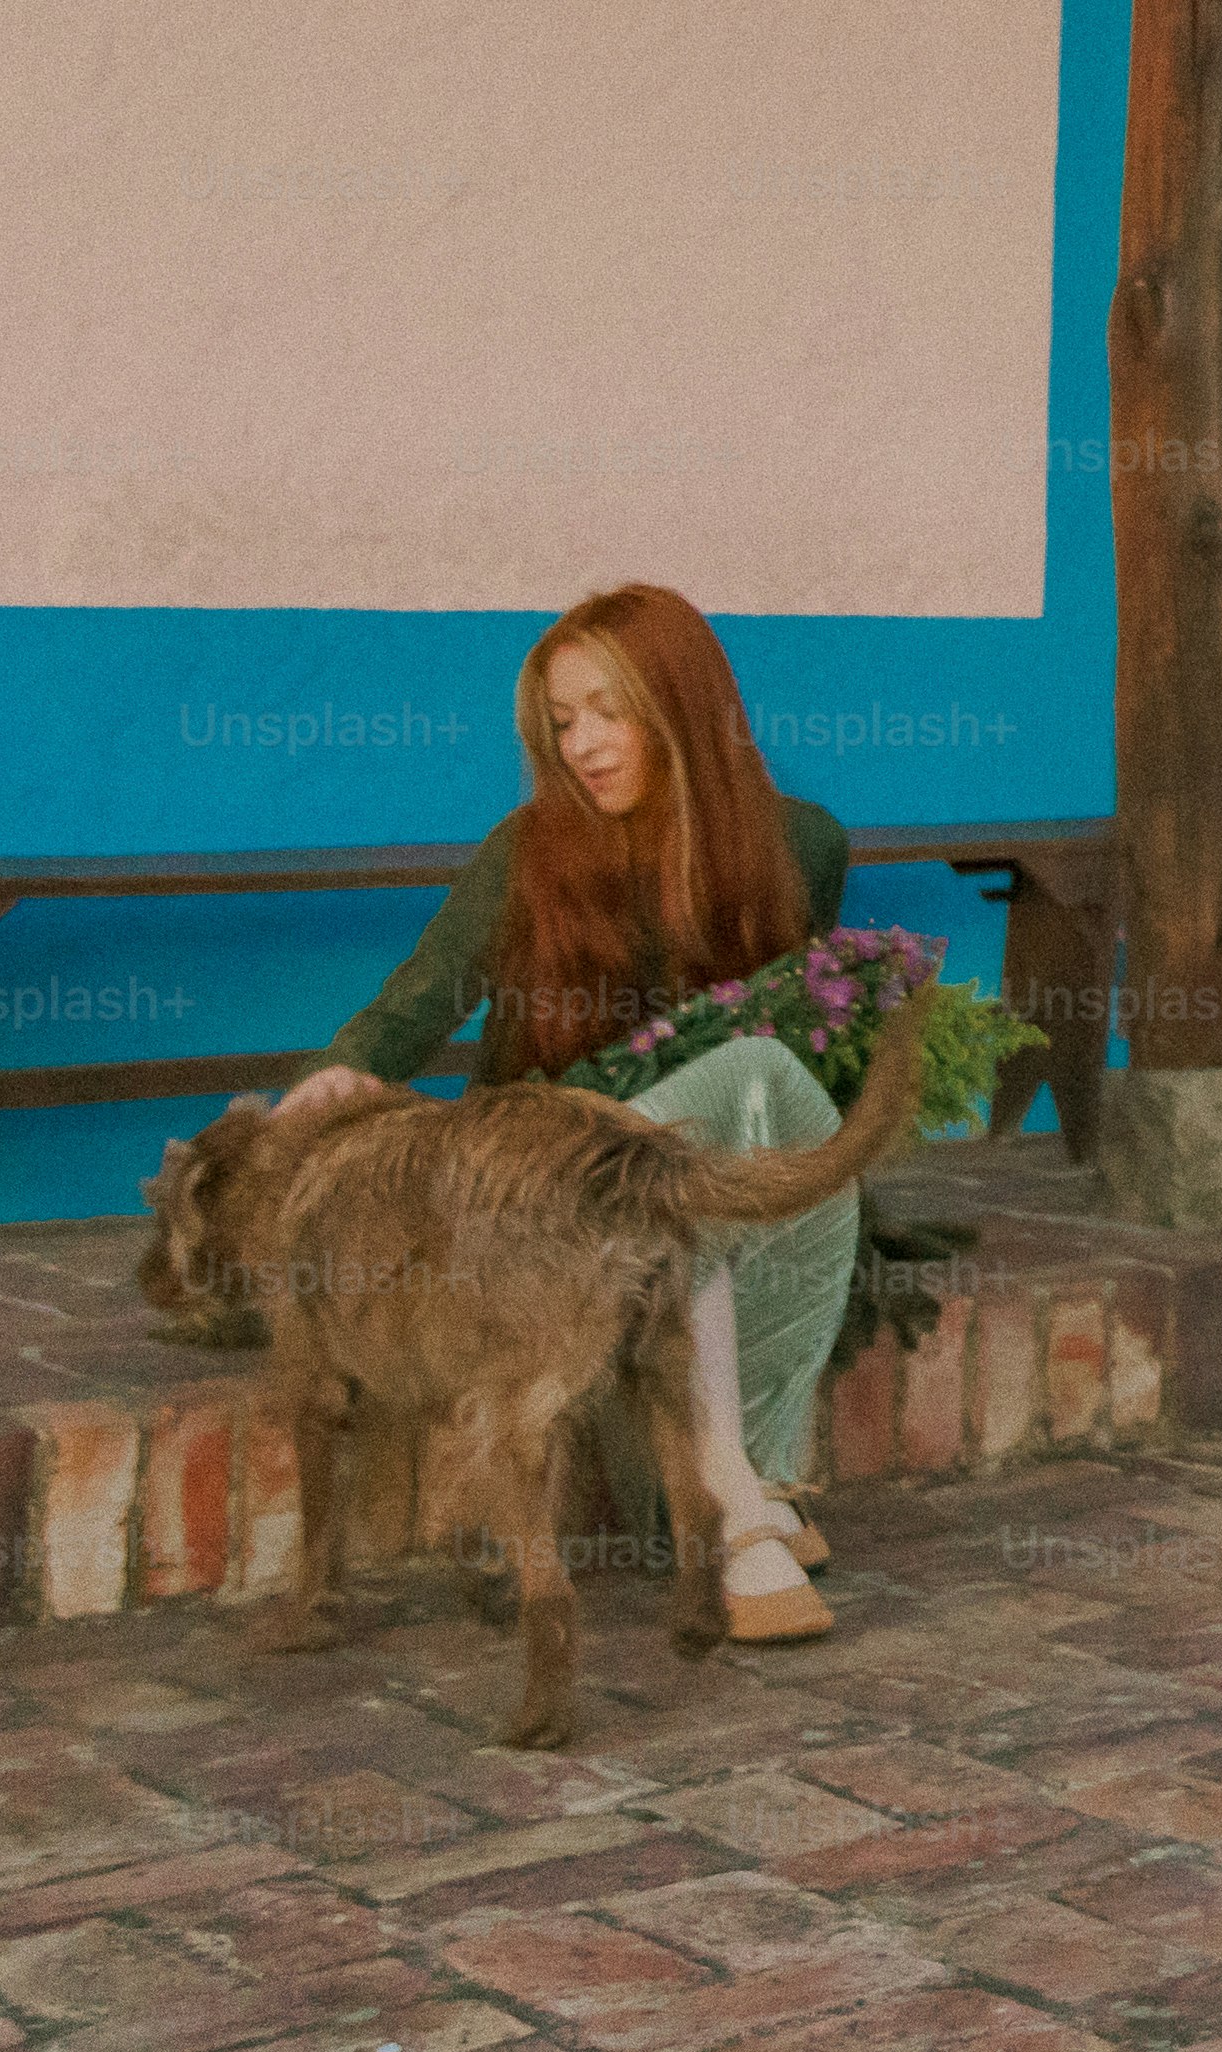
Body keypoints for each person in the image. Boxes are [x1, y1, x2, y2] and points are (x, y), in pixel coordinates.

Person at [282, 582, 858, 1646]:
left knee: (778, 1097)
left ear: (683, 705)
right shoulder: (530, 852)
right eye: (562, 723)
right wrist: (334, 1082)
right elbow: (417, 1004)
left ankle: (740, 1474)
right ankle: (735, 1495)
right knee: (739, 1089)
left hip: (673, 1213)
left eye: (610, 710)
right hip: (538, 1207)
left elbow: (797, 1032)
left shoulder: (801, 847)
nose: (583, 745)